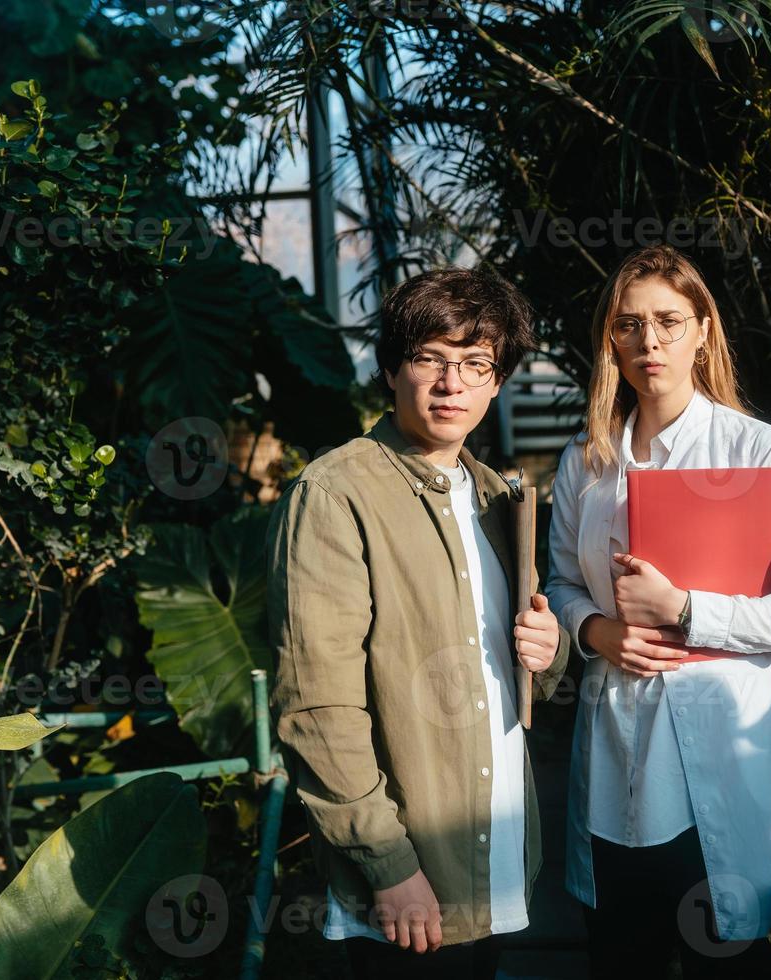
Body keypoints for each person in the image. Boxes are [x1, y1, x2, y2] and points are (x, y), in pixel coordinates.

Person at [268, 267, 570, 980]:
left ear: (498, 381)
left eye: (475, 364)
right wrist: (389, 863)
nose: (451, 383)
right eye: (431, 358)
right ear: (393, 368)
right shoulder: (336, 494)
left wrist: (549, 650)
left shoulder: (499, 497)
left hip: (493, 859)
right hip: (410, 880)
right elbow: (316, 705)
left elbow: (529, 681)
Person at [544, 245, 771, 979]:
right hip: (618, 768)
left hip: (720, 757)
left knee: (732, 963)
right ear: (611, 339)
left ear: (704, 330)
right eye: (630, 325)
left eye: (670, 322)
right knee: (622, 958)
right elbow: (559, 582)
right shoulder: (586, 462)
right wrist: (596, 629)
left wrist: (687, 609)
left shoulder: (759, 453)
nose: (651, 343)